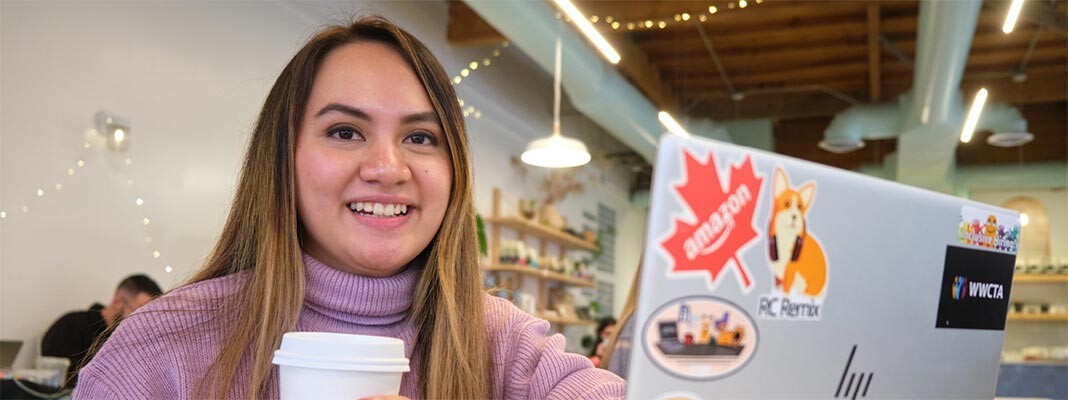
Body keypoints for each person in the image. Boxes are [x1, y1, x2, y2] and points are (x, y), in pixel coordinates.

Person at [75, 16, 625, 399]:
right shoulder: (163, 346)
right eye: (344, 131)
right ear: (282, 159)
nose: (387, 167)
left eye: (421, 138)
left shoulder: (509, 347)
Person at [41, 274, 162, 388]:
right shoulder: (71, 325)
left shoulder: (132, 343)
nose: (144, 322)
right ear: (118, 302)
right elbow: (58, 380)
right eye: (139, 313)